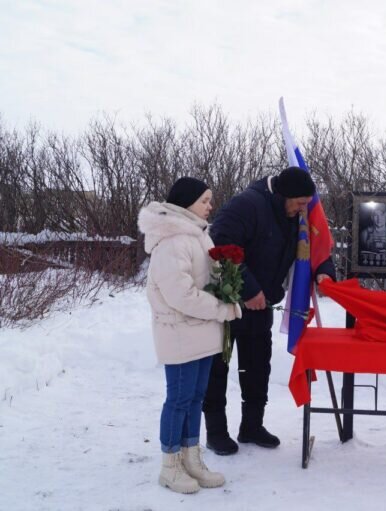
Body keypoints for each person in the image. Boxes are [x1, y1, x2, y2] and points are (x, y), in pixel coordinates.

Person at [203, 166, 335, 455]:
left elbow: (316, 244)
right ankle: (216, 432)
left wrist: (325, 272)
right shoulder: (246, 205)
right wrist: (247, 290)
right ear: (284, 195)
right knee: (218, 368)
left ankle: (252, 426)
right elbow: (221, 246)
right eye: (300, 203)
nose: (304, 209)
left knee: (258, 365)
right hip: (229, 303)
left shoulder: (294, 214)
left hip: (263, 303)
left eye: (306, 203)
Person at [138, 177, 241, 494]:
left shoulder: (197, 235)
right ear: (187, 203)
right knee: (179, 399)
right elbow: (180, 294)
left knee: (196, 398)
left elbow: (206, 278)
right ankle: (170, 465)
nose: (211, 205)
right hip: (181, 333)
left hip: (201, 333)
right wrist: (220, 309)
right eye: (205, 200)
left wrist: (228, 288)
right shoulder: (172, 240)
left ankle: (191, 457)